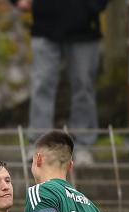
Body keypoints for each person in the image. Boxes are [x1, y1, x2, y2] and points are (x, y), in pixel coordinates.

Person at [12, 0, 112, 166]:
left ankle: (83, 145)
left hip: (85, 27)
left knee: (84, 87)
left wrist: (92, 7)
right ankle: (38, 145)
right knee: (42, 84)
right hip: (45, 23)